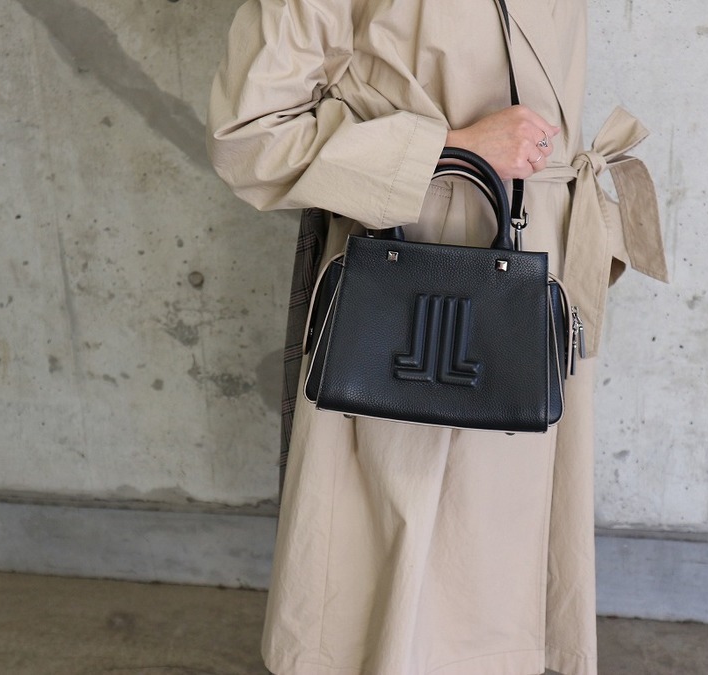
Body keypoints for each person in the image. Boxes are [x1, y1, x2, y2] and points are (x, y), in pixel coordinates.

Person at [206, 1, 667, 674]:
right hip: (419, 276)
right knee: (409, 563)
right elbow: (250, 136)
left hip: (538, 269)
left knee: (500, 546)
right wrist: (453, 147)